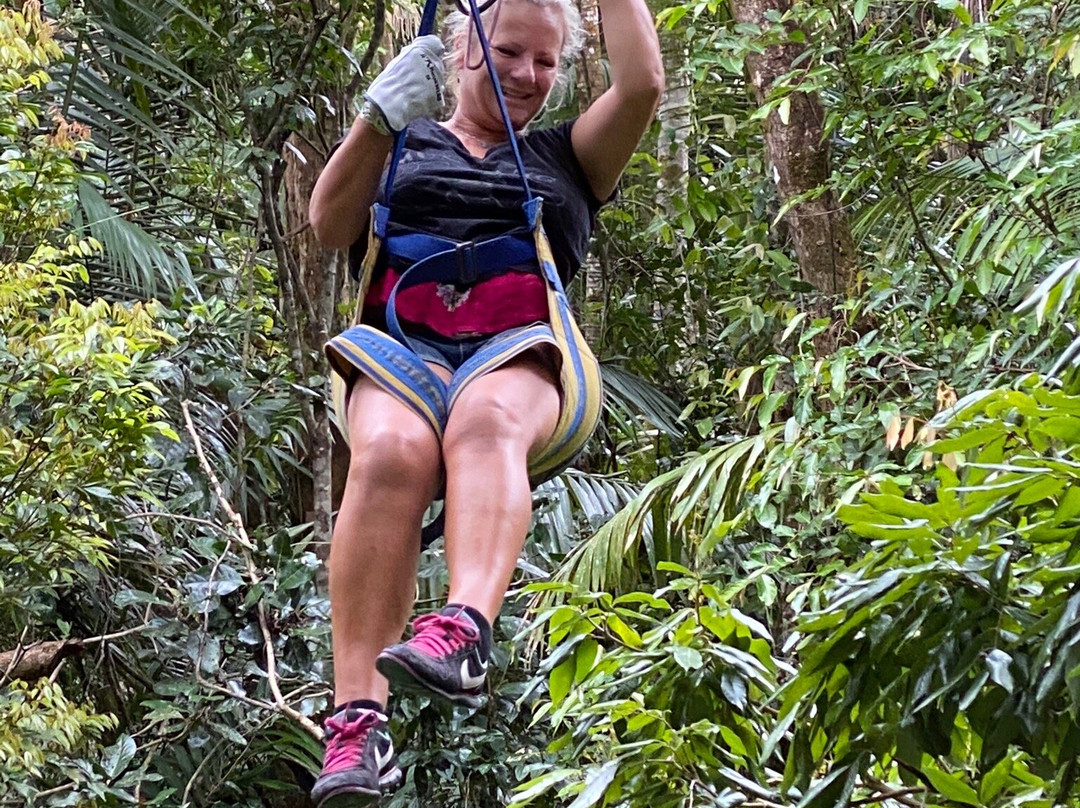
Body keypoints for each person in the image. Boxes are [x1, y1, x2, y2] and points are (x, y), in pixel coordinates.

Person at [307, 0, 662, 803]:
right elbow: (329, 225)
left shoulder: (568, 157)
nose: (528, 76)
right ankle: (357, 726)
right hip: (401, 353)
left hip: (518, 356)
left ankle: (463, 626)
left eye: (544, 62)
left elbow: (641, 85)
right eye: (508, 53)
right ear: (463, 47)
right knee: (393, 454)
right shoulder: (405, 143)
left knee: (486, 420)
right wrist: (375, 121)